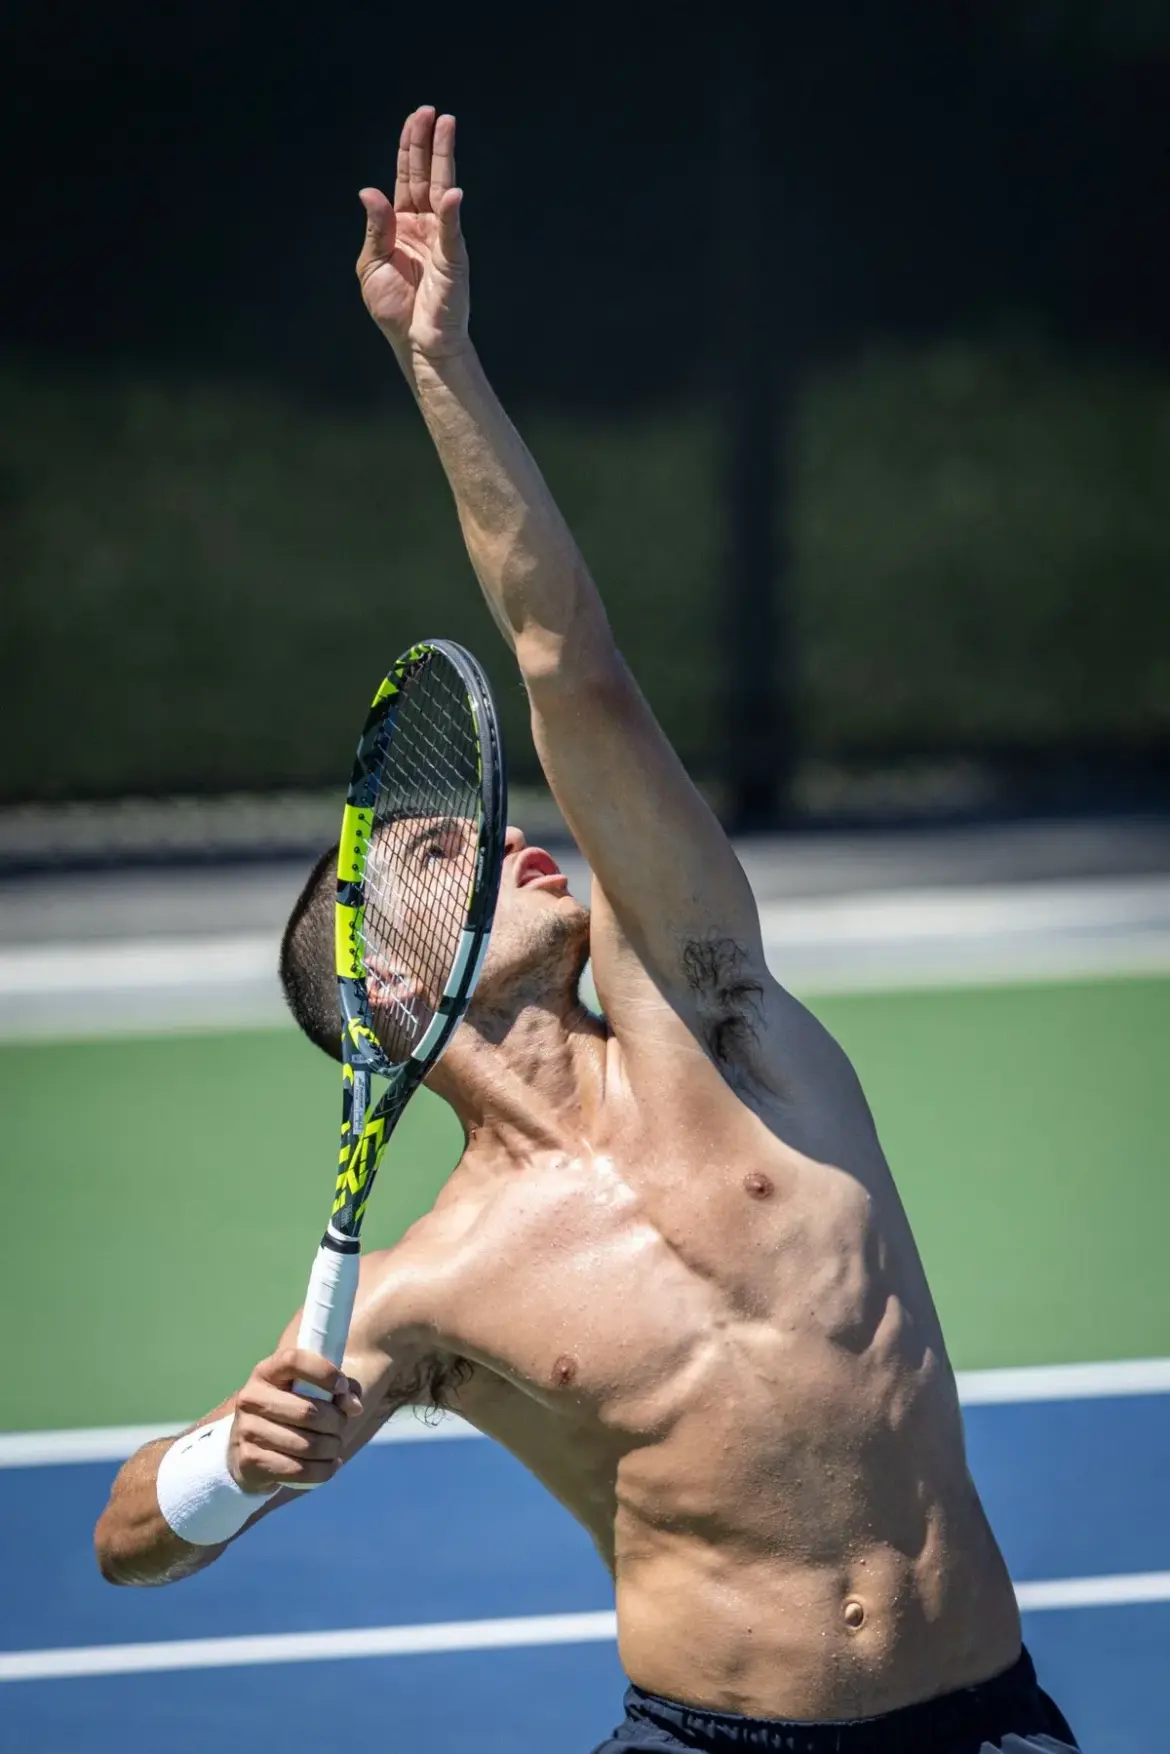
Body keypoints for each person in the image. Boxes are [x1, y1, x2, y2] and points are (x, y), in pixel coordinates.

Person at [94, 106, 1079, 1754]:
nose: (495, 833)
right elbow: (128, 1547)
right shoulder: (429, 1288)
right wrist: (227, 1460)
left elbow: (569, 662)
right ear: (386, 984)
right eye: (428, 845)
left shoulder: (718, 1016)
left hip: (986, 1724)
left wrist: (439, 365)